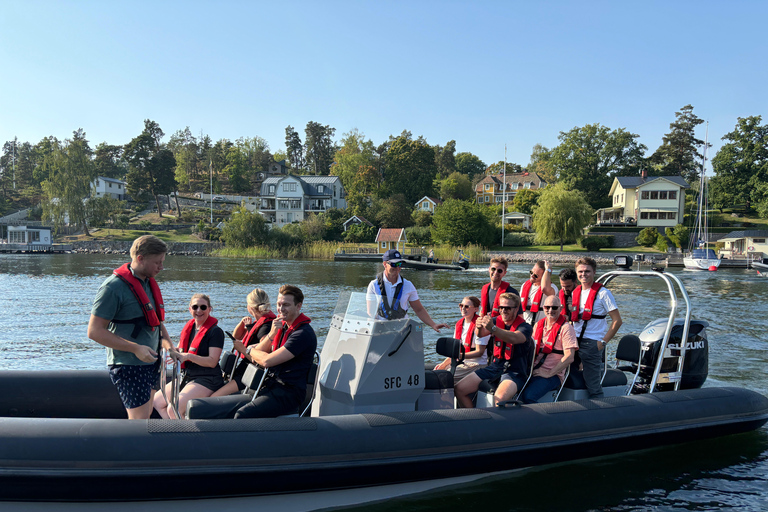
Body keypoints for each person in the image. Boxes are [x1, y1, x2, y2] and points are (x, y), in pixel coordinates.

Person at [87, 235, 173, 420]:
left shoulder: (147, 282)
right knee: (139, 420)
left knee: (147, 414)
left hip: (151, 362)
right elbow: (94, 331)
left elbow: (156, 323)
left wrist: (171, 348)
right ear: (140, 258)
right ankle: (134, 449)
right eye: (157, 262)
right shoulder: (112, 288)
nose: (161, 267)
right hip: (129, 364)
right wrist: (135, 348)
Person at [234, 285, 317, 419]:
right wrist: (272, 334)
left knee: (242, 415)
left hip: (288, 393)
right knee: (227, 410)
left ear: (298, 306)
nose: (281, 309)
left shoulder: (302, 334)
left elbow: (267, 361)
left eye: (286, 305)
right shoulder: (282, 327)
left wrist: (248, 349)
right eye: (279, 304)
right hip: (271, 385)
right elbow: (259, 354)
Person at [455, 293, 533, 408]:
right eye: (501, 308)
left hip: (514, 372)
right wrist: (479, 326)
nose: (504, 311)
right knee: (459, 389)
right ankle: (473, 419)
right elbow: (480, 334)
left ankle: (498, 424)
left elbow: (515, 338)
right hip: (494, 368)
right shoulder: (496, 321)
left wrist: (493, 328)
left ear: (516, 309)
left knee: (499, 399)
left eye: (508, 308)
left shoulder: (525, 327)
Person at [153, 294, 225, 418]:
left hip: (207, 379)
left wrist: (188, 356)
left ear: (209, 309)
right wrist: (169, 351)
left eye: (203, 307)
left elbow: (212, 361)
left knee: (173, 408)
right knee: (157, 401)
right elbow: (180, 349)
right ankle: (173, 431)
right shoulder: (190, 328)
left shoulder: (216, 332)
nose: (199, 310)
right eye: (195, 307)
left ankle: (184, 435)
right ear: (189, 309)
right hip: (187, 376)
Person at [571, 256, 623, 398]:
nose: (583, 274)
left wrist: (602, 343)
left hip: (592, 343)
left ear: (594, 272)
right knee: (569, 376)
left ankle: (600, 410)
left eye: (587, 271)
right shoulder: (576, 292)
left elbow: (617, 321)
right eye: (580, 271)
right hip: (573, 341)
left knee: (593, 385)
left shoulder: (603, 293)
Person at [211, 289, 276, 397]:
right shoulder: (260, 323)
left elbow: (262, 360)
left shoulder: (265, 328)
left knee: (213, 398)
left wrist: (243, 349)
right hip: (244, 371)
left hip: (249, 374)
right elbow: (236, 336)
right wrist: (243, 324)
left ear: (249, 308)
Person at [366, 249, 448, 332]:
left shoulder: (408, 285)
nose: (397, 267)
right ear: (385, 264)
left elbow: (419, 309)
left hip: (401, 329)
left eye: (400, 264)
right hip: (381, 329)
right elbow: (371, 314)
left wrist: (433, 324)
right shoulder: (373, 285)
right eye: (394, 264)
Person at [520, 295, 578, 404]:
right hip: (534, 370)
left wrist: (549, 373)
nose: (550, 310)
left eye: (554, 307)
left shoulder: (566, 328)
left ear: (560, 309)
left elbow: (569, 357)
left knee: (528, 396)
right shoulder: (538, 325)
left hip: (552, 375)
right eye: (547, 307)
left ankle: (540, 419)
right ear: (543, 307)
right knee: (514, 387)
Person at [434, 296, 490, 384]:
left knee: (444, 378)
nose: (463, 308)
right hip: (462, 361)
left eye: (467, 306)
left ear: (476, 309)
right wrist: (443, 364)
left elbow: (479, 352)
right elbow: (455, 351)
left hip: (476, 364)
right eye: (461, 305)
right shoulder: (459, 324)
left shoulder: (480, 326)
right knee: (436, 372)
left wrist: (458, 356)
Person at [520, 260, 557, 325]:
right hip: (525, 326)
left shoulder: (552, 288)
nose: (532, 276)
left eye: (536, 275)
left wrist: (548, 270)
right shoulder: (524, 285)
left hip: (541, 327)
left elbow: (545, 288)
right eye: (531, 272)